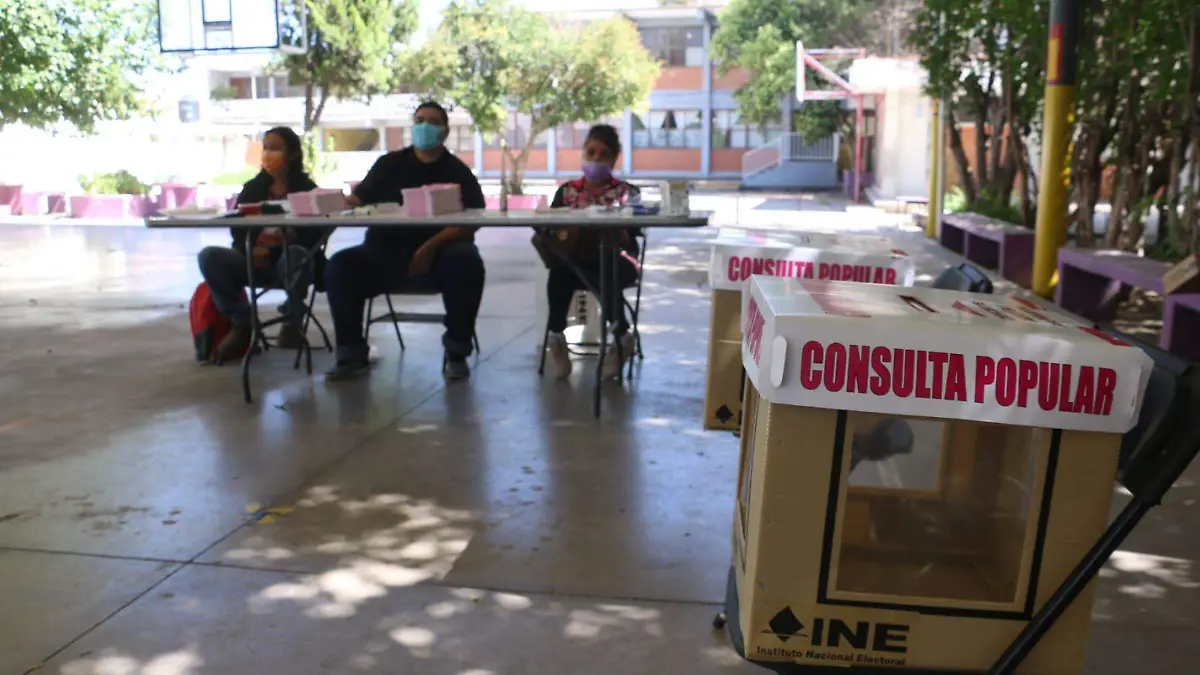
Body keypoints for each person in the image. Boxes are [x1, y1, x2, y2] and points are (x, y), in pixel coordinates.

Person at [325, 101, 486, 381]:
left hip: (436, 259)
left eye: (433, 121)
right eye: (419, 120)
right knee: (340, 266)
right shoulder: (388, 164)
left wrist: (428, 248)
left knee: (467, 262)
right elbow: (357, 200)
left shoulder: (458, 172)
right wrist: (331, 202)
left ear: (445, 131)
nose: (424, 126)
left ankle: (456, 352)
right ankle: (351, 354)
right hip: (383, 255)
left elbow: (470, 223)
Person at [197, 126, 326, 363]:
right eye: (266, 148)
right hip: (251, 258)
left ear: (293, 154)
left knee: (298, 254)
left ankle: (291, 319)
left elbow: (316, 235)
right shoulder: (252, 188)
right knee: (209, 257)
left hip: (287, 262)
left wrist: (279, 246)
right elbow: (238, 229)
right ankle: (242, 322)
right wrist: (249, 249)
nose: (268, 153)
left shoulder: (307, 190)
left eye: (275, 148)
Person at [538, 124, 641, 380]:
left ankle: (620, 341)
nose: (595, 159)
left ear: (614, 159)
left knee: (605, 266)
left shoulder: (628, 193)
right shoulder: (566, 191)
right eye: (591, 151)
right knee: (561, 273)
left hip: (619, 260)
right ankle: (559, 337)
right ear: (583, 152)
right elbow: (551, 228)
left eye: (603, 154)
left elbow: (635, 230)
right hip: (575, 259)